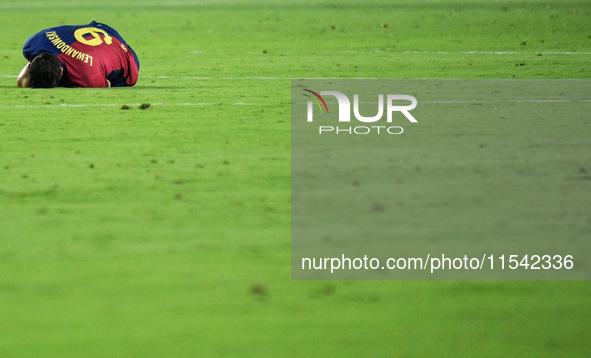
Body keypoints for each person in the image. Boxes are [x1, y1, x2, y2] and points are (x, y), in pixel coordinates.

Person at [17, 21, 139, 88]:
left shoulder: (88, 77)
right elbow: (22, 79)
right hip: (98, 28)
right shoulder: (32, 44)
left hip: (126, 56)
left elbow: (107, 84)